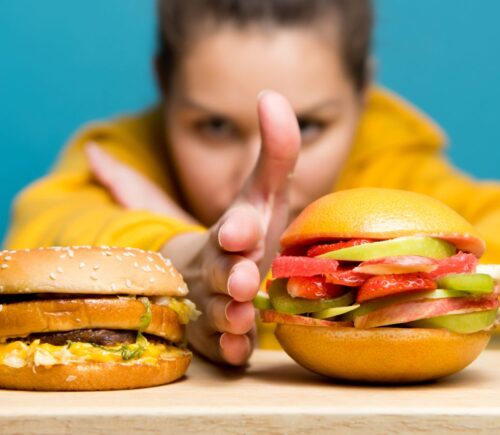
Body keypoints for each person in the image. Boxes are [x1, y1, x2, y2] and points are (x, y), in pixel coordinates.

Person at [5, 0, 500, 366]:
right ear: (163, 86)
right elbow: (44, 230)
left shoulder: (393, 162)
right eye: (215, 127)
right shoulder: (123, 157)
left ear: (363, 92)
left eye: (308, 126)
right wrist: (182, 261)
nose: (253, 168)